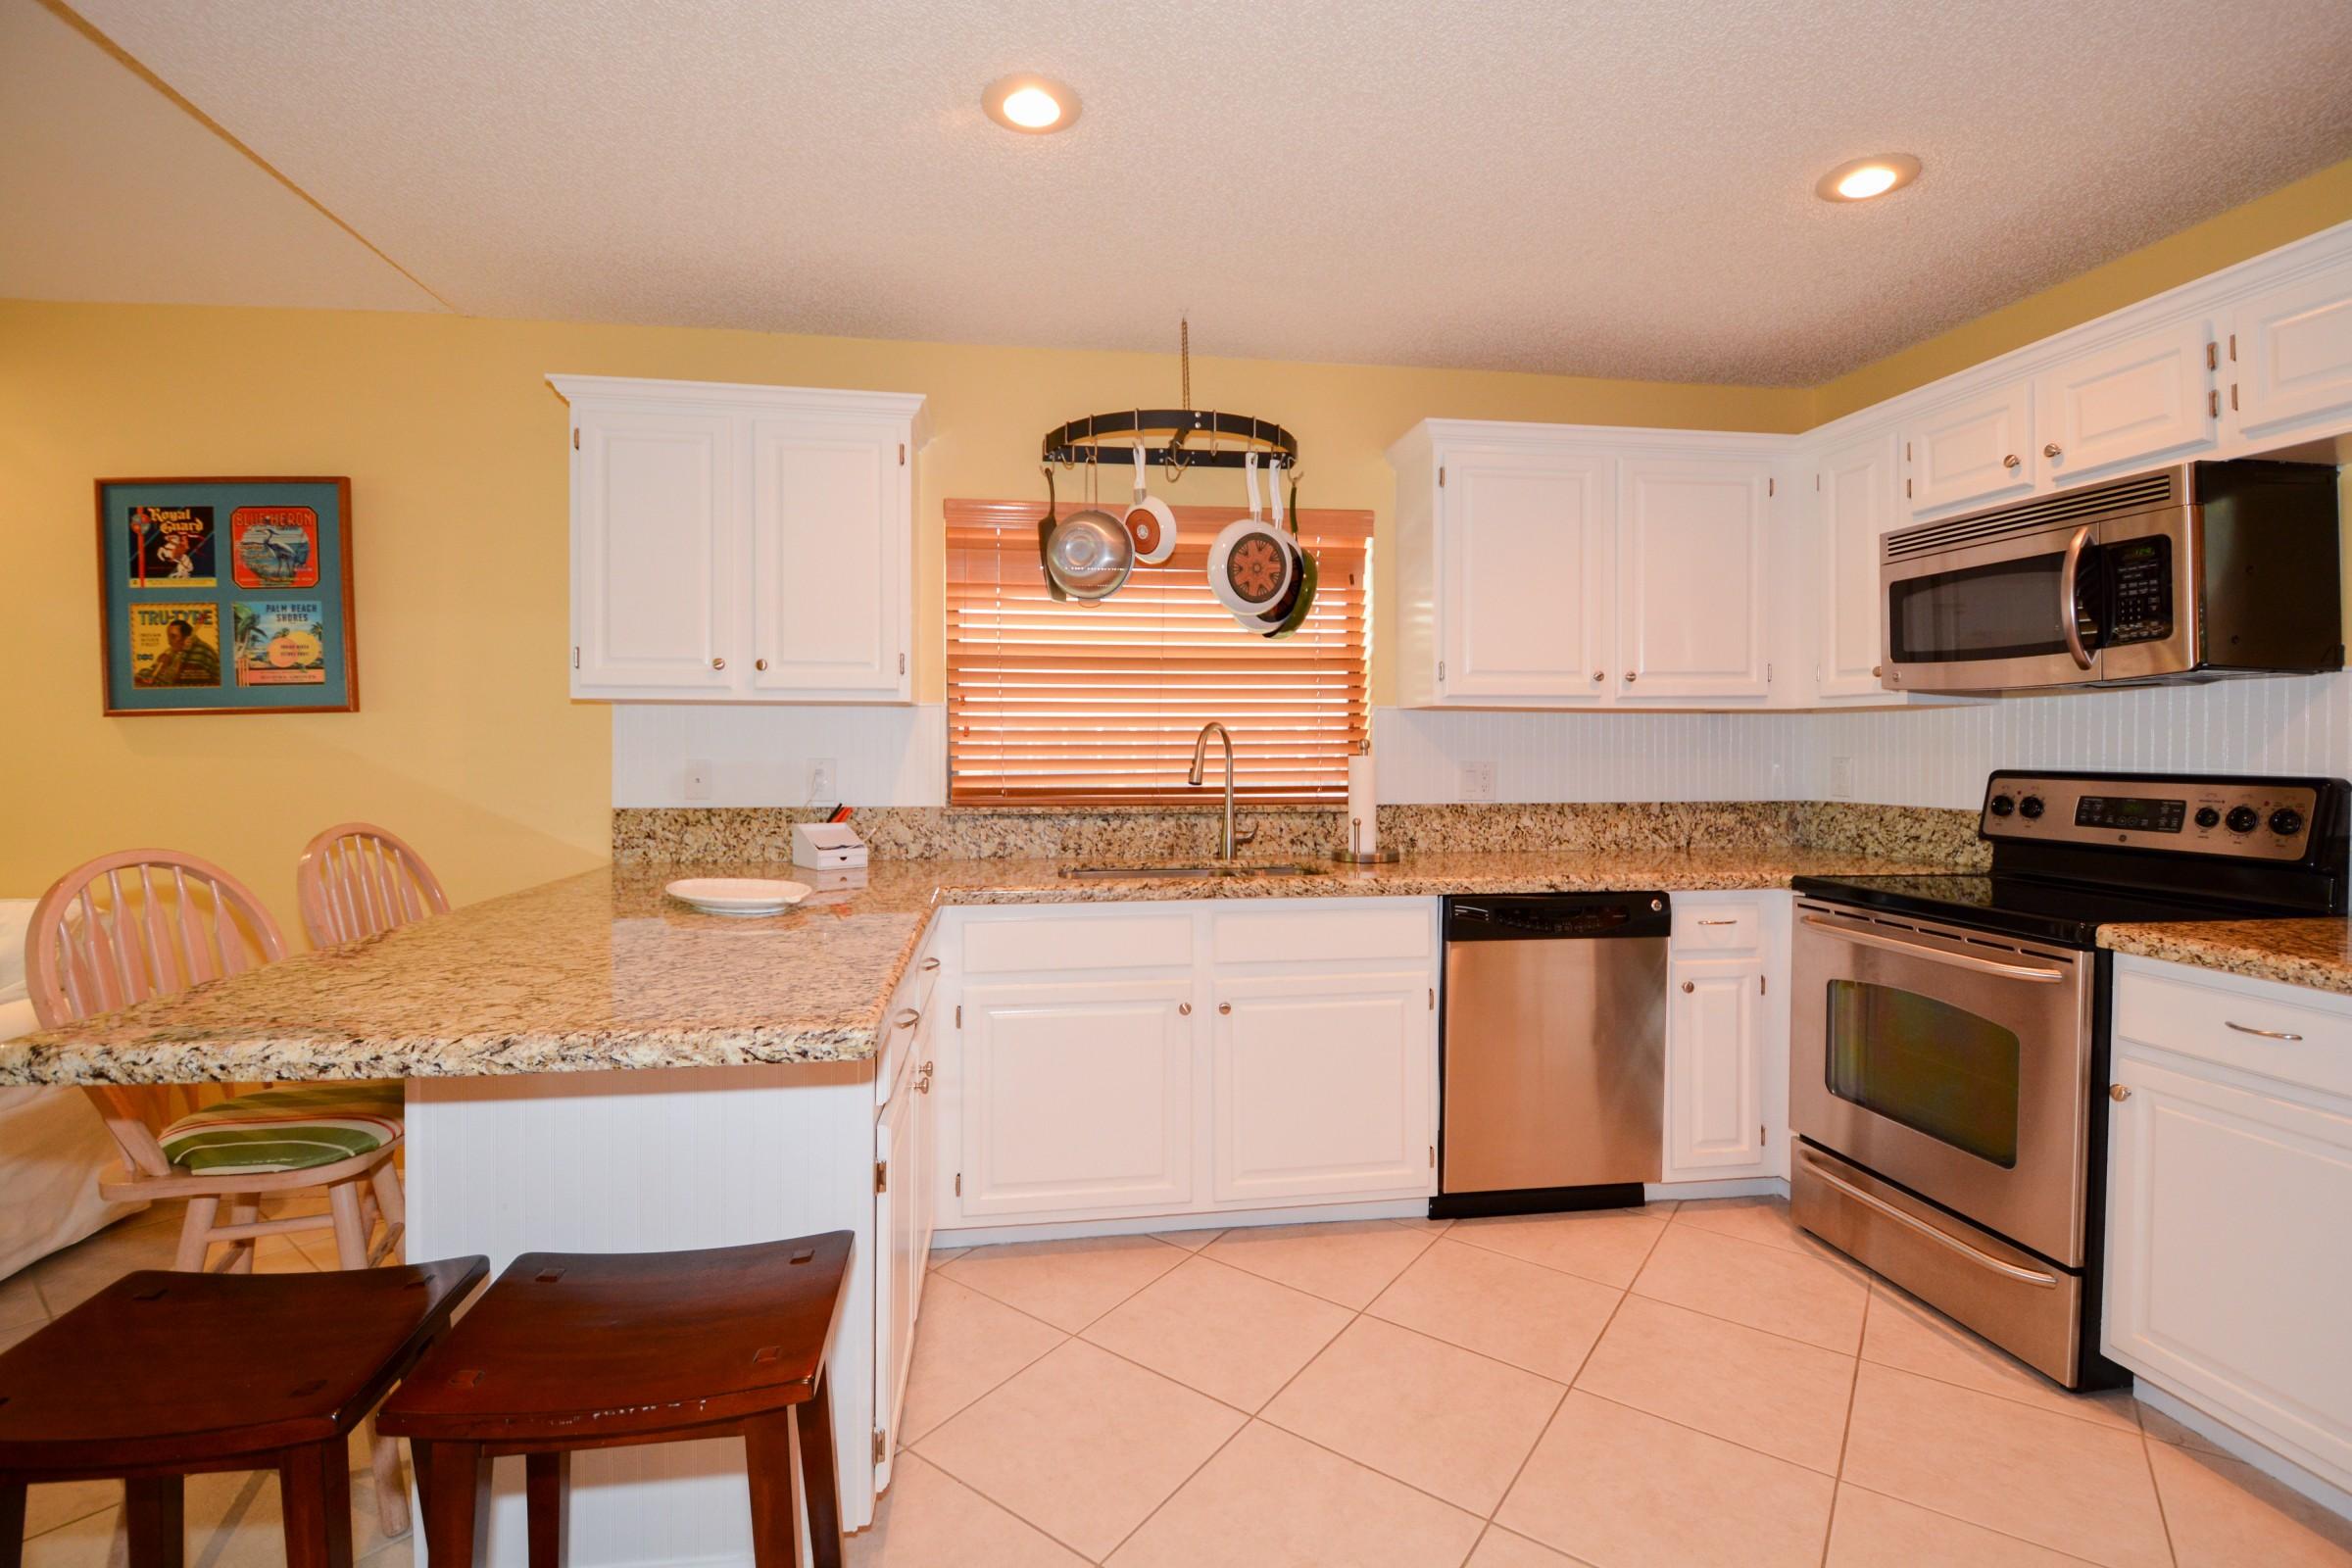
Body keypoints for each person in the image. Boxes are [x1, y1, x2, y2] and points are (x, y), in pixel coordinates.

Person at [142, 617, 219, 687]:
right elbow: (150, 674)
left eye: (173, 637)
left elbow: (185, 683)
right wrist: (153, 674)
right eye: (168, 637)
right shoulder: (171, 652)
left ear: (186, 637)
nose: (169, 641)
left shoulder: (202, 651)